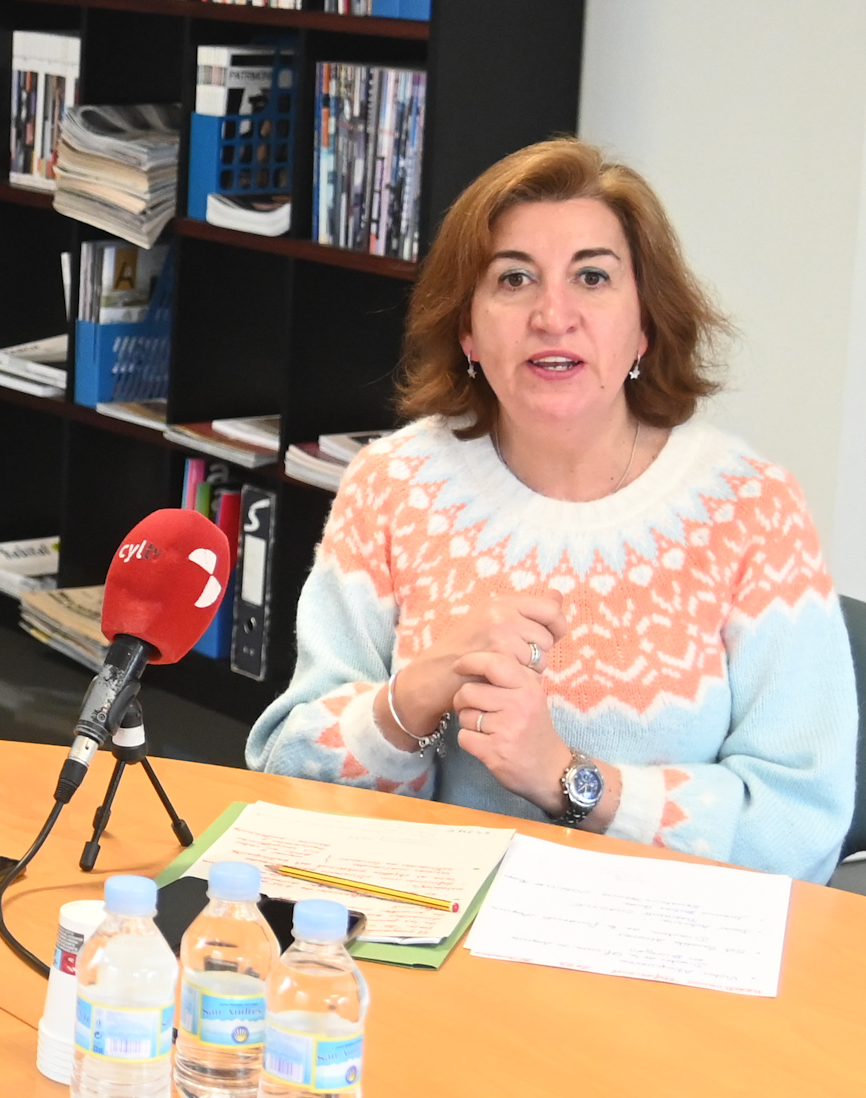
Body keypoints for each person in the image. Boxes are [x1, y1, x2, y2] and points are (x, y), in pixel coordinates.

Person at [249, 138, 856, 880]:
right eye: (514, 279)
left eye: (592, 277)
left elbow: (800, 827)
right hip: (435, 929)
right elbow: (285, 775)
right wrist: (411, 701)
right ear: (468, 330)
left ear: (645, 325)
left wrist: (570, 780)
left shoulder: (752, 509)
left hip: (656, 938)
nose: (552, 315)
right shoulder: (391, 486)